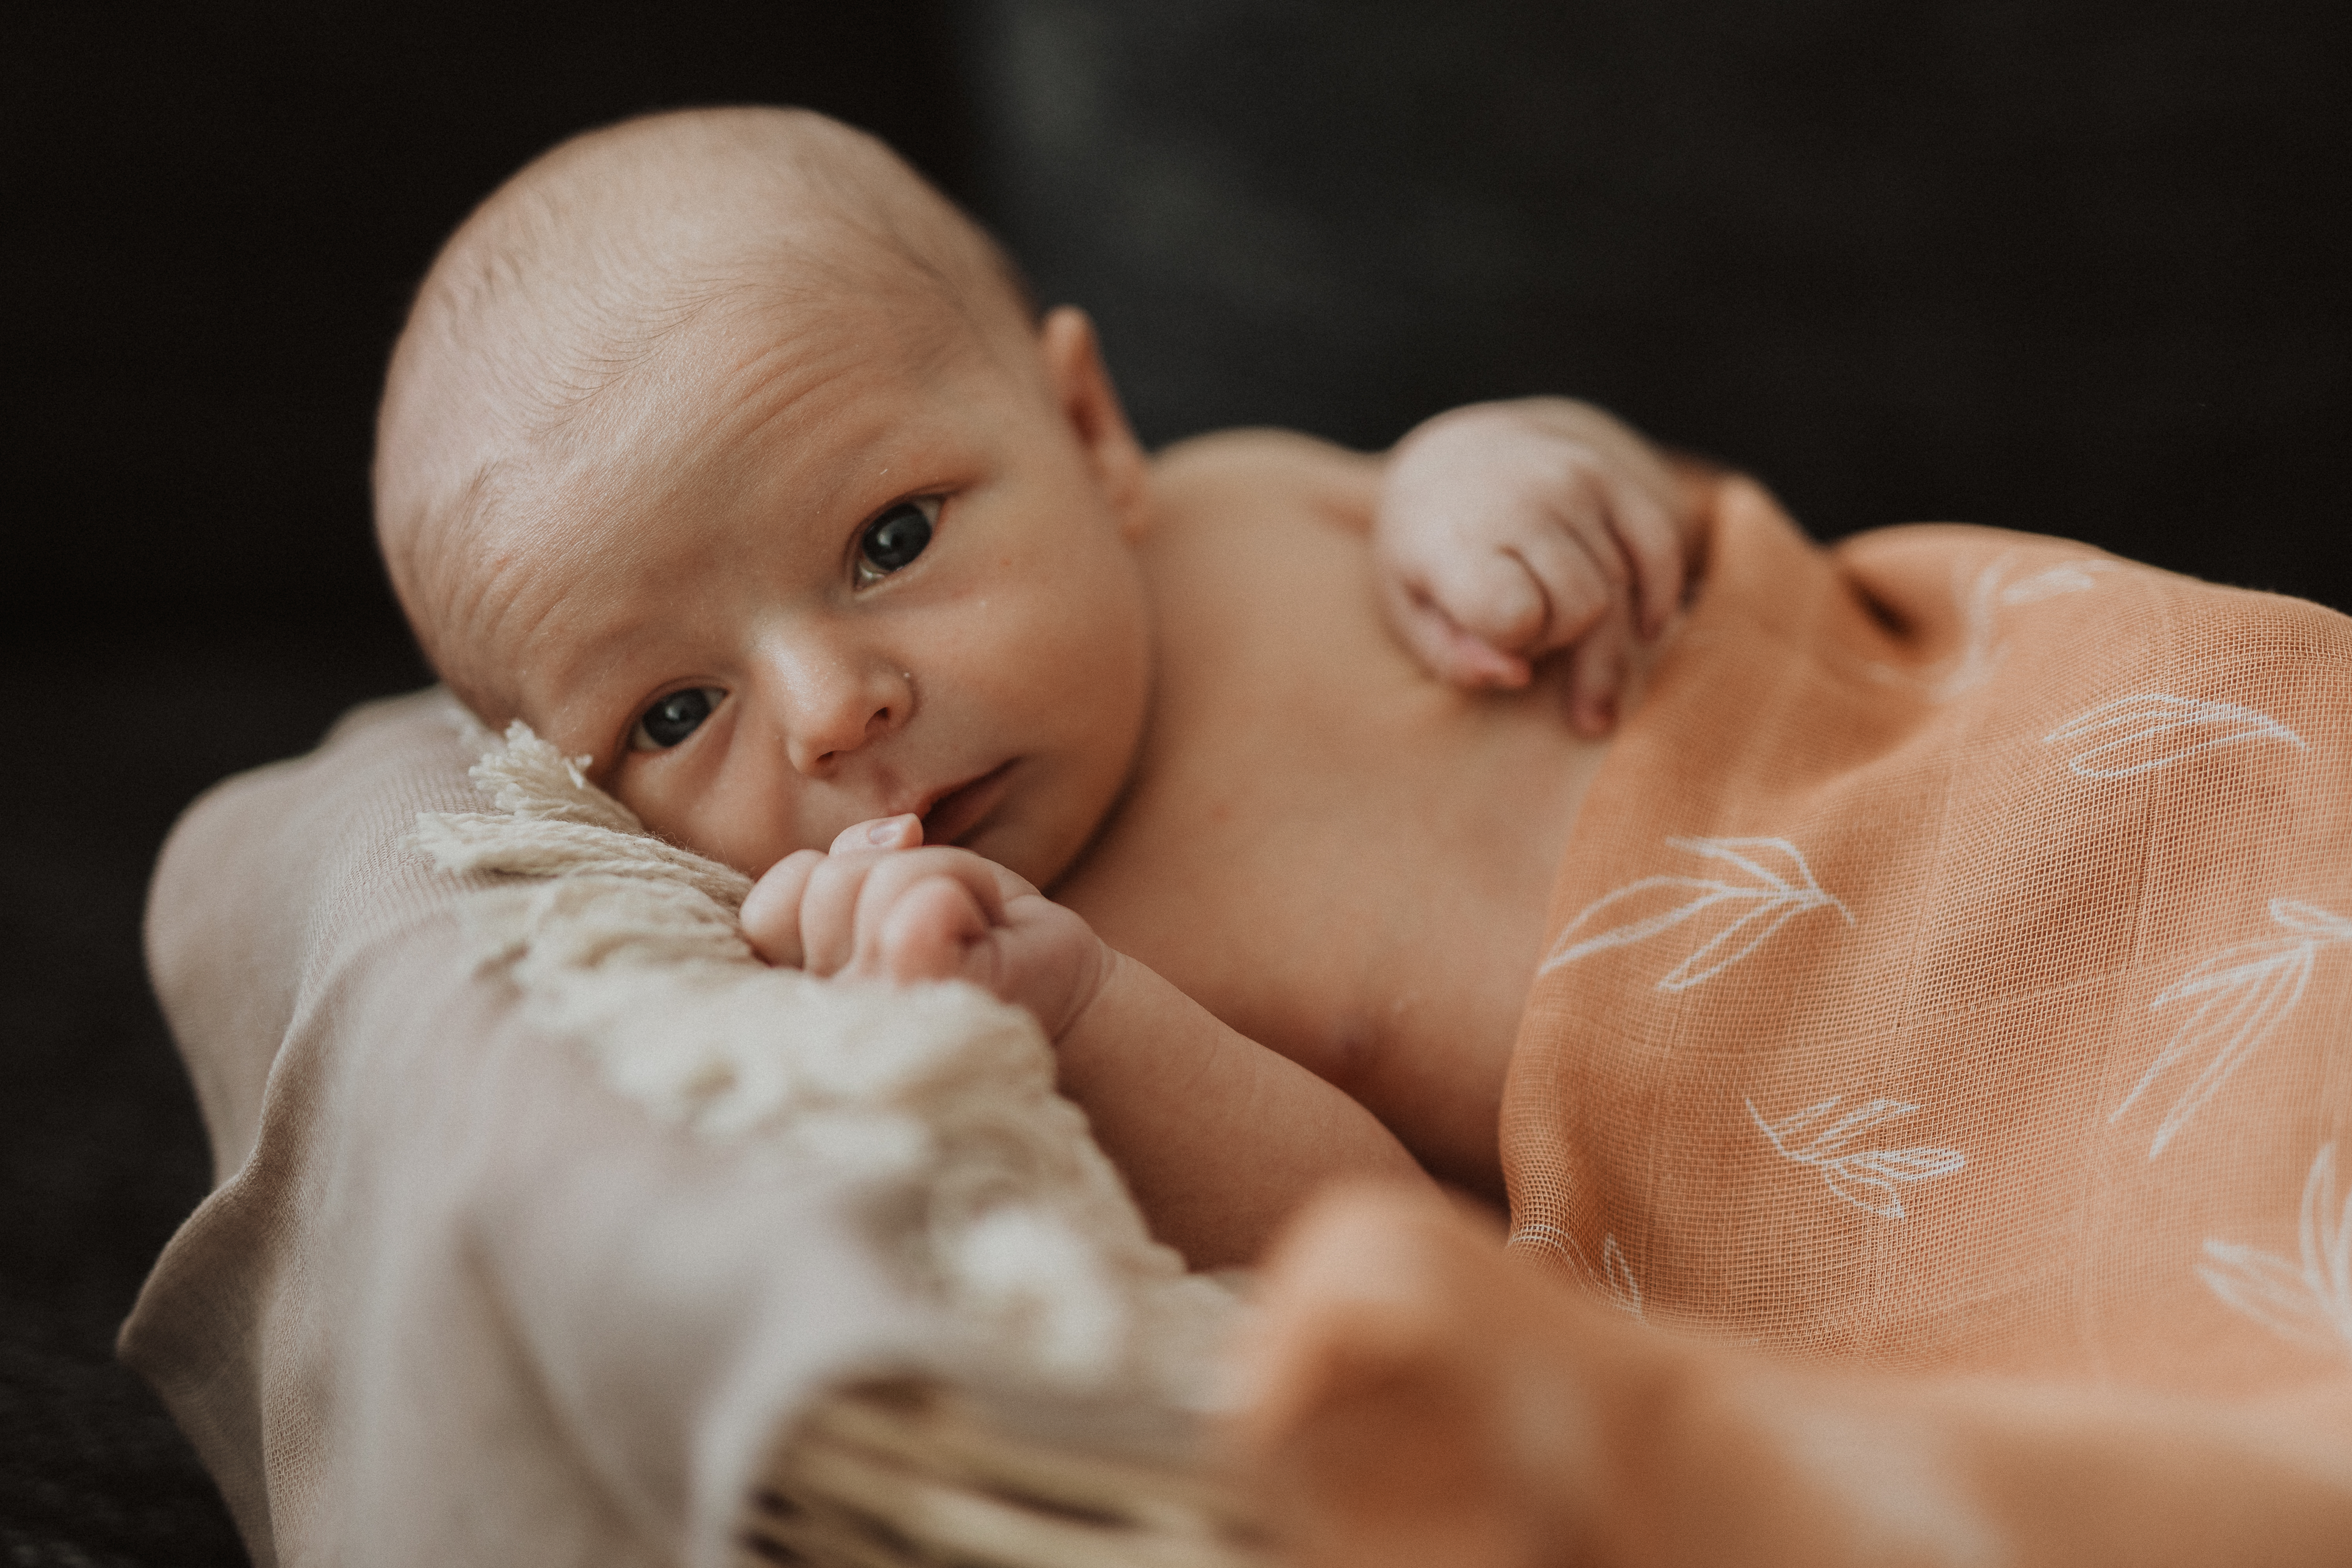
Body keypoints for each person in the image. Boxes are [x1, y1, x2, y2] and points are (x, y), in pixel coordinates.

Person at [374, 104, 1709, 1267]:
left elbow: (1710, 532)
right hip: (1804, 1151)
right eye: (673, 717)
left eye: (890, 540)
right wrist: (1081, 1018)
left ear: (1089, 429)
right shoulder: (991, 999)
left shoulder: (1239, 502)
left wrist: (1512, 465)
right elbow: (1406, 1269)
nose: (835, 715)